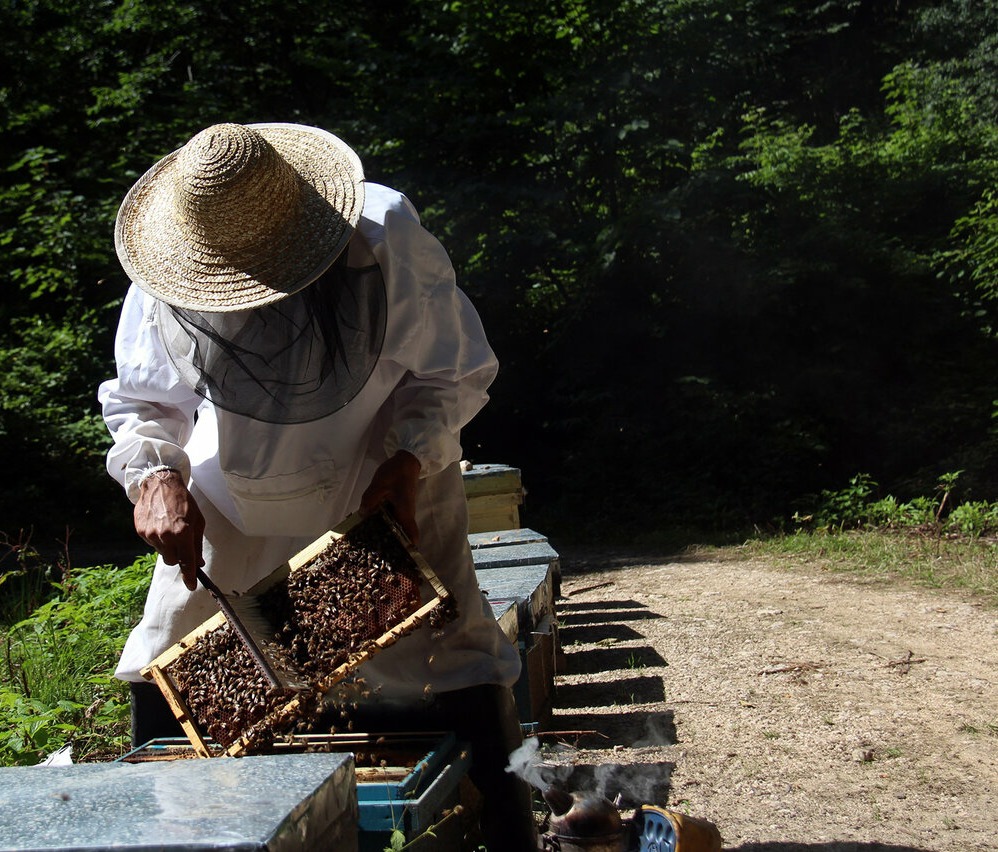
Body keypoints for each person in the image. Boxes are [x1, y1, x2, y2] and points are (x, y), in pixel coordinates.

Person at [98, 122, 537, 850]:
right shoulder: (168, 256)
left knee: (454, 652)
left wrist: (408, 460)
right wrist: (156, 476)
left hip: (382, 468)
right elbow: (146, 399)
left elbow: (449, 370)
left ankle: (510, 830)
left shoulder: (383, 231)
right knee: (169, 660)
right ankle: (180, 834)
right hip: (229, 494)